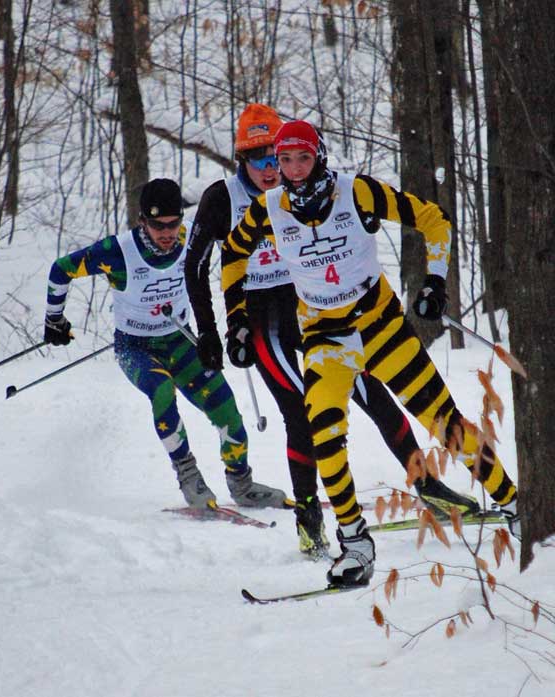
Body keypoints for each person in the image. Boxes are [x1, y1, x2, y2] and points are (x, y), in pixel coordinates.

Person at [220, 119, 520, 586]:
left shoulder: (356, 191)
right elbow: (234, 254)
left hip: (382, 327)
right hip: (324, 339)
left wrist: (436, 283)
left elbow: (433, 220)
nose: (294, 171)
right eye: (284, 160)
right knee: (325, 438)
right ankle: (356, 544)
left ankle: (514, 503)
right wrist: (236, 319)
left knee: (444, 421)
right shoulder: (269, 207)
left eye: (302, 158)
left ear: (318, 156)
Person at [43, 177, 287, 511]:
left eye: (173, 224)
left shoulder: (190, 238)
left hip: (181, 341)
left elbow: (244, 242)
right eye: (158, 225)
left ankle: (242, 484)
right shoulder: (119, 251)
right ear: (142, 220)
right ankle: (188, 475)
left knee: (227, 408)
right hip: (136, 348)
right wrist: (54, 319)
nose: (167, 233)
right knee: (161, 389)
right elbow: (61, 270)